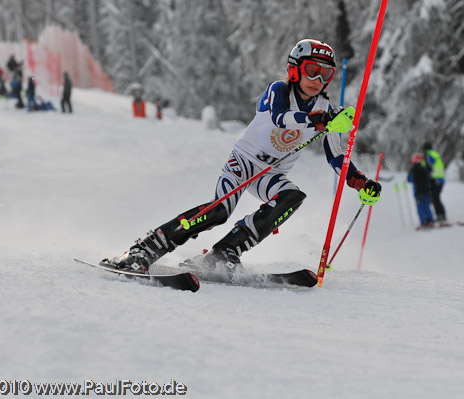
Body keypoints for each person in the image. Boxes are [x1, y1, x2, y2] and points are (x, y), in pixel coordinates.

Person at [104, 39, 382, 273]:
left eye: (326, 74)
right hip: (245, 161)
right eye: (312, 70)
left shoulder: (325, 108)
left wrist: (360, 182)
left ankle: (223, 253)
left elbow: (336, 157)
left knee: (291, 197)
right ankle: (146, 249)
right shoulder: (279, 91)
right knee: (219, 211)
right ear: (294, 70)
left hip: (271, 173)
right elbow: (282, 119)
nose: (318, 80)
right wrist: (321, 119)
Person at [407, 153, 434, 229]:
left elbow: (409, 179)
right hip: (426, 191)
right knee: (427, 206)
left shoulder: (413, 169)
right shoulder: (425, 169)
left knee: (420, 207)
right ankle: (431, 220)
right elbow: (429, 178)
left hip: (417, 192)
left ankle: (424, 222)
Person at [423, 142, 447, 222]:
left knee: (435, 198)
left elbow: (429, 166)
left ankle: (440, 216)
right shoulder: (435, 154)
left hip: (435, 178)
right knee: (436, 198)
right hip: (441, 178)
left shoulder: (428, 154)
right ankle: (442, 214)